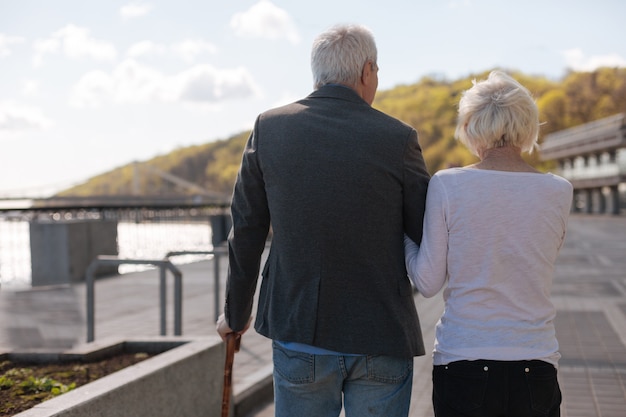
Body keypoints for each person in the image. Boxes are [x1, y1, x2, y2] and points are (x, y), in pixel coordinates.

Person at [217, 23, 430, 417]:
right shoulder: (398, 138)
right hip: (381, 335)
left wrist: (235, 314)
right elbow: (426, 234)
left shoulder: (270, 128)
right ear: (367, 71)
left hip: (300, 332)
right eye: (378, 72)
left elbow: (246, 229)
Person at [404, 71, 572, 417]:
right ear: (528, 126)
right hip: (535, 359)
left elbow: (428, 281)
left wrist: (403, 239)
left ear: (469, 126)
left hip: (463, 360)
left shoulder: (448, 185)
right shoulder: (559, 191)